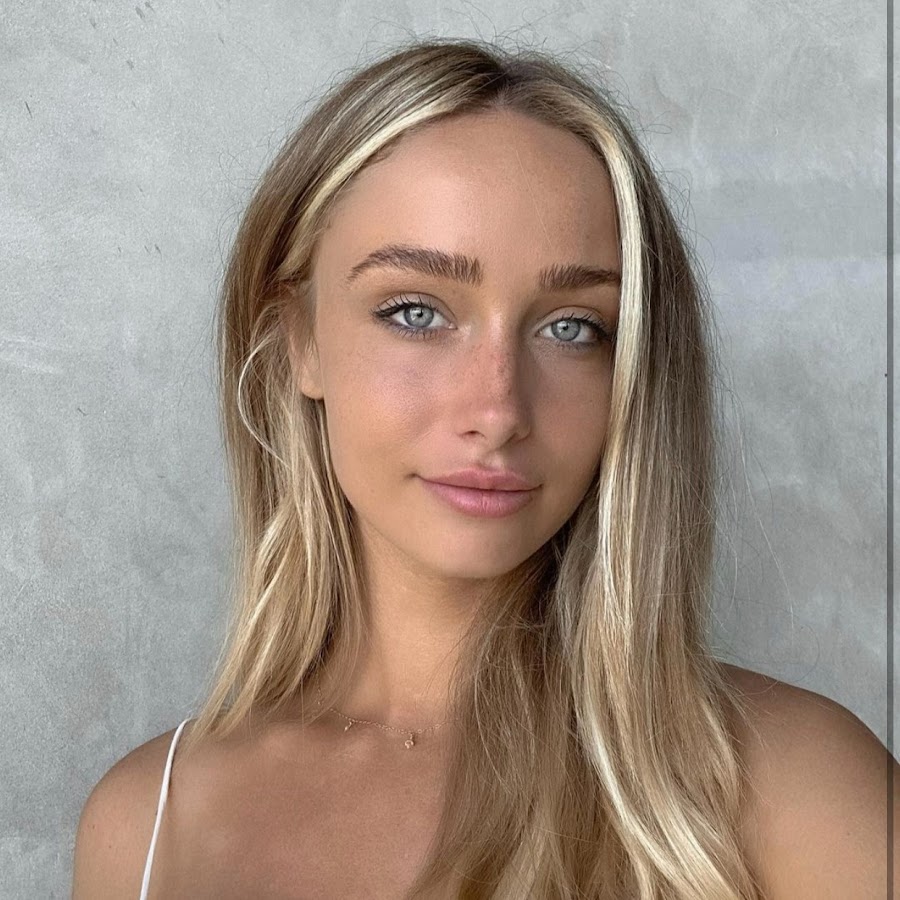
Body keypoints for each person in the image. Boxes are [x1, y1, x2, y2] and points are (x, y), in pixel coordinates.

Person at [71, 37, 895, 899]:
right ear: (300, 342)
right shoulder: (147, 827)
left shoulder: (802, 792)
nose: (498, 409)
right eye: (416, 313)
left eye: (572, 327)